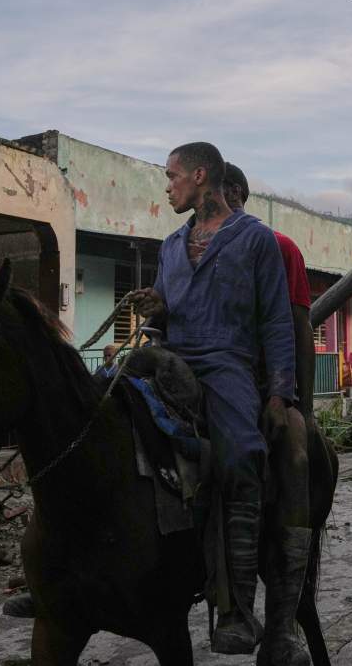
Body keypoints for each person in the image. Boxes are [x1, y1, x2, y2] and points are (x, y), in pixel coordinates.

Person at [133, 142, 294, 655]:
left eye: (173, 176)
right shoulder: (170, 245)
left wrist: (278, 393)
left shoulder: (256, 240)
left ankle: (237, 609)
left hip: (226, 363)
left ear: (201, 176)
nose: (169, 185)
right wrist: (154, 306)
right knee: (92, 405)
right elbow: (163, 314)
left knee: (243, 453)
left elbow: (276, 320)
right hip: (170, 357)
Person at [221, 162, 315, 663]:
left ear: (232, 192)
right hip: (203, 379)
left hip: (261, 386)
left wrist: (301, 405)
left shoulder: (279, 248)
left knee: (295, 455)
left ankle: (280, 625)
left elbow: (298, 327)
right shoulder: (183, 243)